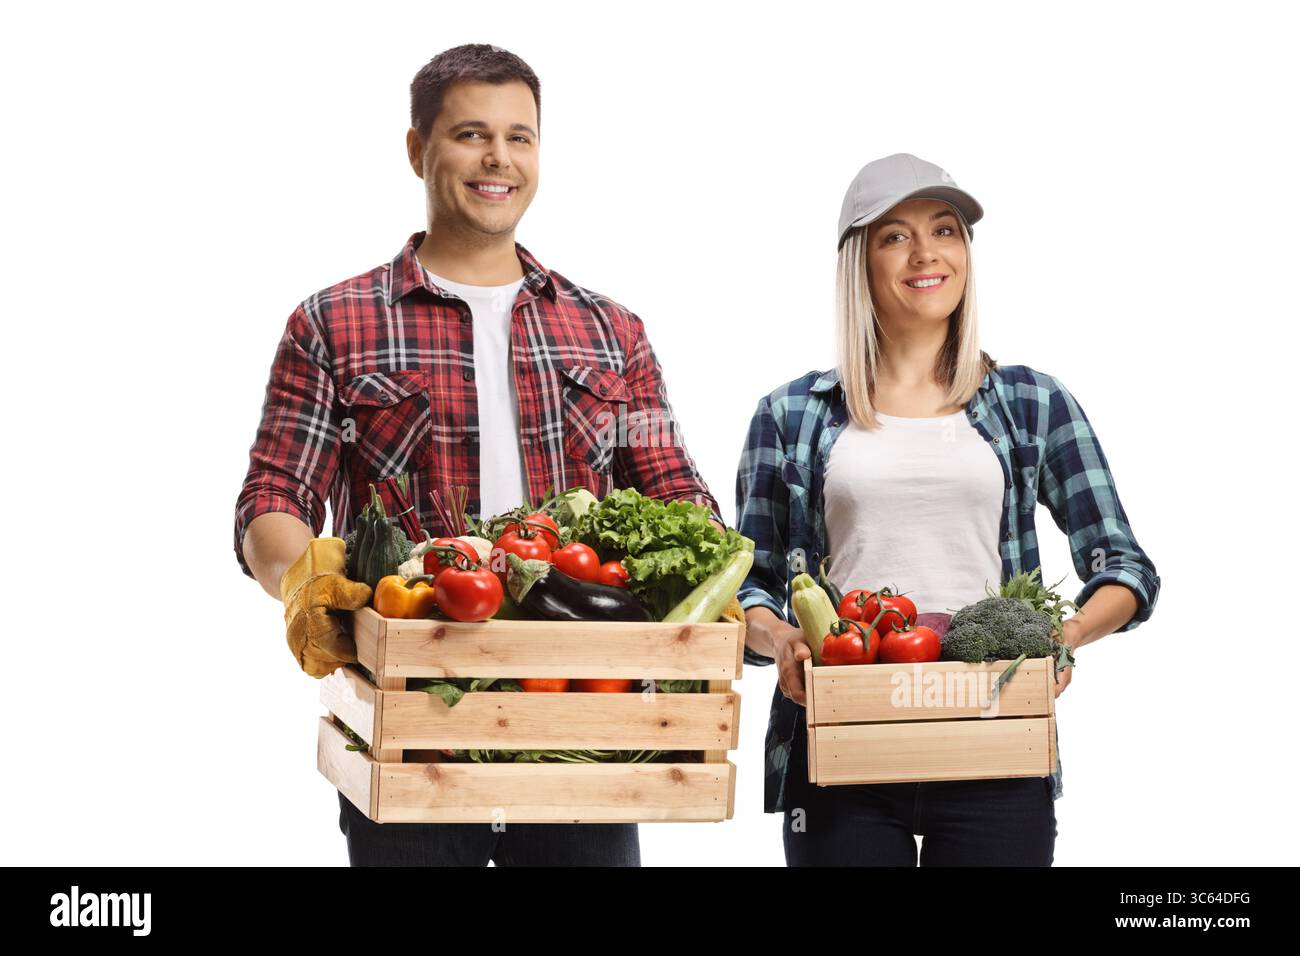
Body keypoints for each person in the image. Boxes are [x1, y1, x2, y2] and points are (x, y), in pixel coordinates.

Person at [233, 44, 723, 867]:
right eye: (470, 134)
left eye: (520, 138)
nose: (499, 159)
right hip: (415, 720)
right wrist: (311, 592)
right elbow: (274, 497)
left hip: (581, 717)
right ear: (418, 149)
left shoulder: (610, 330)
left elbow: (673, 489)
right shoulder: (334, 323)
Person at [734, 152, 1161, 866]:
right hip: (844, 741)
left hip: (995, 736)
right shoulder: (789, 414)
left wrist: (1068, 634)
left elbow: (1125, 565)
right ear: (858, 262)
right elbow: (751, 584)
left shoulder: (1033, 402)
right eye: (895, 235)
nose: (927, 253)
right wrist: (783, 643)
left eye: (946, 230)